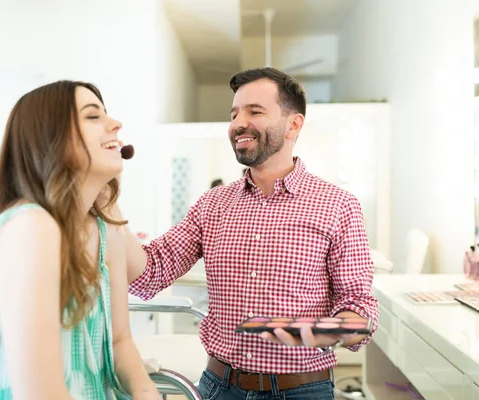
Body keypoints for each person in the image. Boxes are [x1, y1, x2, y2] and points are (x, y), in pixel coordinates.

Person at [106, 67, 379, 400]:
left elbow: (360, 312)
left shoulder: (338, 205)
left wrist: (318, 333)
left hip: (301, 390)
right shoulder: (213, 204)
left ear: (294, 124)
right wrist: (108, 201)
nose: (238, 123)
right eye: (234, 114)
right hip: (218, 387)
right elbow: (151, 272)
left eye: (255, 111)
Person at [0, 81, 160, 400]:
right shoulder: (30, 226)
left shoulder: (102, 229)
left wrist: (144, 391)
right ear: (52, 140)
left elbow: (120, 339)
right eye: (93, 116)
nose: (115, 124)